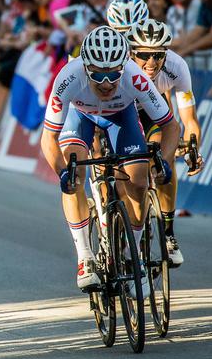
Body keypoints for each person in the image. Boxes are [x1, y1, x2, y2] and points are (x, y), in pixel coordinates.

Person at [40, 26, 180, 296]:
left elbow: (171, 127)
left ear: (123, 67)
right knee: (74, 171)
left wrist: (164, 160)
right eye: (98, 75)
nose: (106, 83)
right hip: (80, 117)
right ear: (85, 67)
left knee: (139, 180)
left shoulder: (135, 77)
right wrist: (62, 174)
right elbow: (49, 139)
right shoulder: (68, 77)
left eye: (113, 75)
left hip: (120, 117)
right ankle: (85, 257)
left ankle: (132, 254)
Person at [126, 19, 204, 266]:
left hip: (153, 110)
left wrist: (193, 147)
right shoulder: (121, 66)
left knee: (164, 158)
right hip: (123, 110)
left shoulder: (177, 67)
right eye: (145, 55)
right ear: (131, 53)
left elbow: (188, 118)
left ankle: (168, 233)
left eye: (158, 55)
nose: (152, 63)